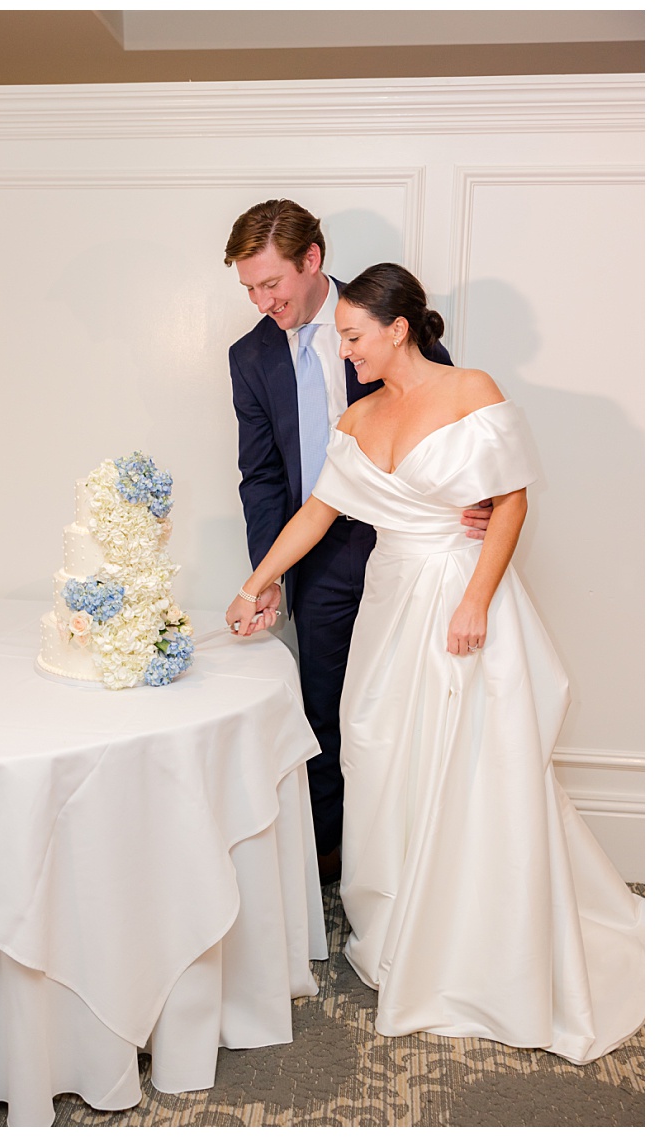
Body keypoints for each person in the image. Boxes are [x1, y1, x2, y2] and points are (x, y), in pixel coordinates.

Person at [224, 262, 643, 1062]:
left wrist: (478, 598)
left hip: (458, 594)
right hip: (391, 601)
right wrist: (256, 582)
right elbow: (317, 511)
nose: (344, 353)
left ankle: (481, 931)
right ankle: (404, 914)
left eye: (353, 337)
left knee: (472, 759)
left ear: (396, 328)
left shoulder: (471, 389)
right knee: (380, 749)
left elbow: (512, 497)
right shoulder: (359, 421)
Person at [223, 200, 478, 885]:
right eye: (248, 287)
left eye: (270, 282)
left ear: (312, 260)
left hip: (414, 546)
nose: (261, 300)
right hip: (319, 555)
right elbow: (262, 476)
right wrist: (268, 570)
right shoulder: (250, 356)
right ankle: (336, 862)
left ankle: (426, 851)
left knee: (418, 696)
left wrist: (472, 500)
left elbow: (450, 418)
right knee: (329, 706)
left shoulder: (388, 320)